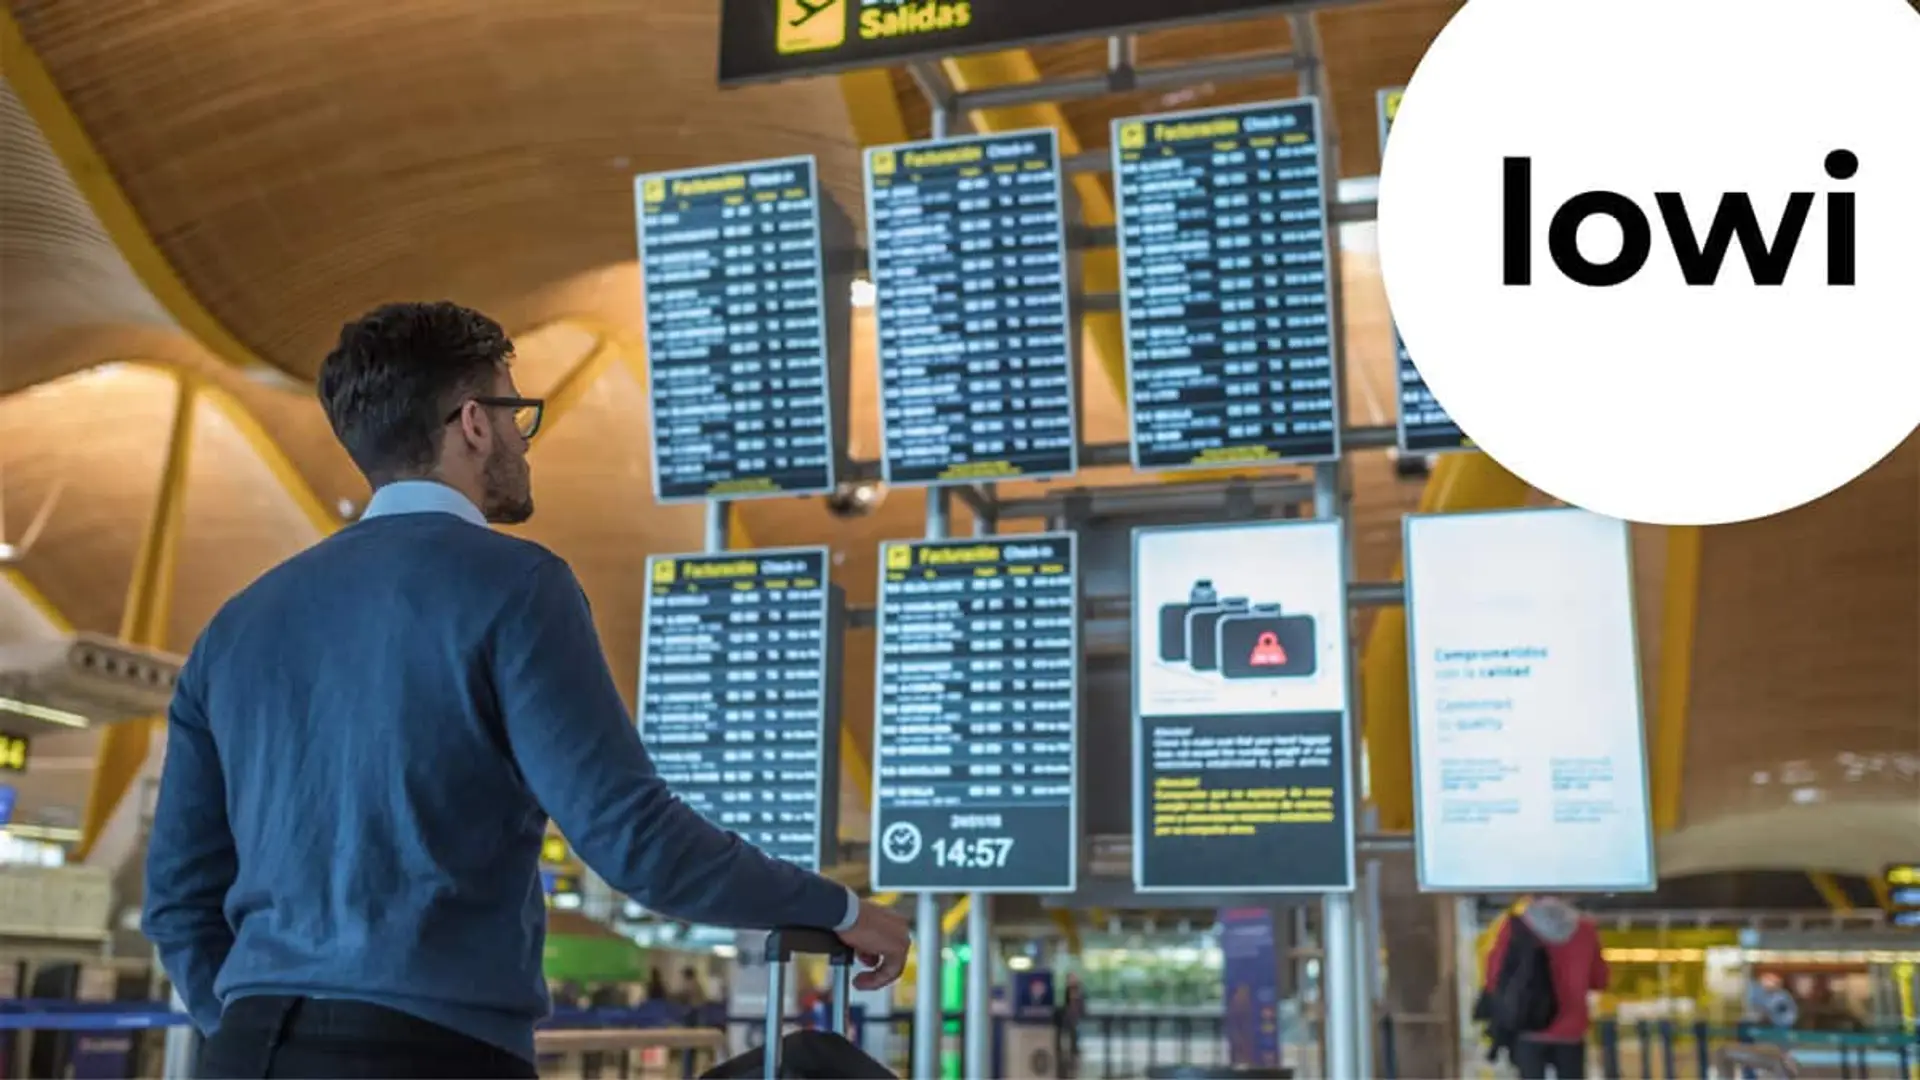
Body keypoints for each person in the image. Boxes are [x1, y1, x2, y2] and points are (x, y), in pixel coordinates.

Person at [142, 301, 912, 1078]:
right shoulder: (516, 586)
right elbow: (636, 840)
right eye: (516, 412)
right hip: (427, 1054)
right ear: (474, 423)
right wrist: (840, 909)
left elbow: (177, 901)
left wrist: (252, 1036)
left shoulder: (235, 627)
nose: (522, 438)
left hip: (241, 1052)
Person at [1482, 894, 1610, 1079]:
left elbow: (1494, 974)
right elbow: (1600, 979)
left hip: (1527, 1022)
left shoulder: (1516, 926)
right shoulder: (1586, 930)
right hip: (1571, 1028)